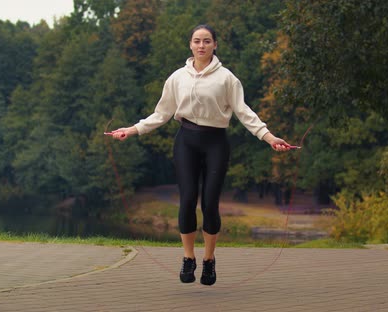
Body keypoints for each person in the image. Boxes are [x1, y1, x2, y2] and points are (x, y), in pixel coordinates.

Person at [107, 24, 293, 286]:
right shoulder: (177, 78)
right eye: (197, 41)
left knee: (209, 204)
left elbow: (244, 112)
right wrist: (133, 129)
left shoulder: (227, 78)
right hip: (186, 141)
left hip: (215, 142)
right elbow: (161, 114)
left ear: (215, 45)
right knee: (187, 201)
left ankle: (208, 260)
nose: (201, 45)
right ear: (190, 45)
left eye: (207, 41)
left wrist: (269, 137)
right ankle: (188, 257)